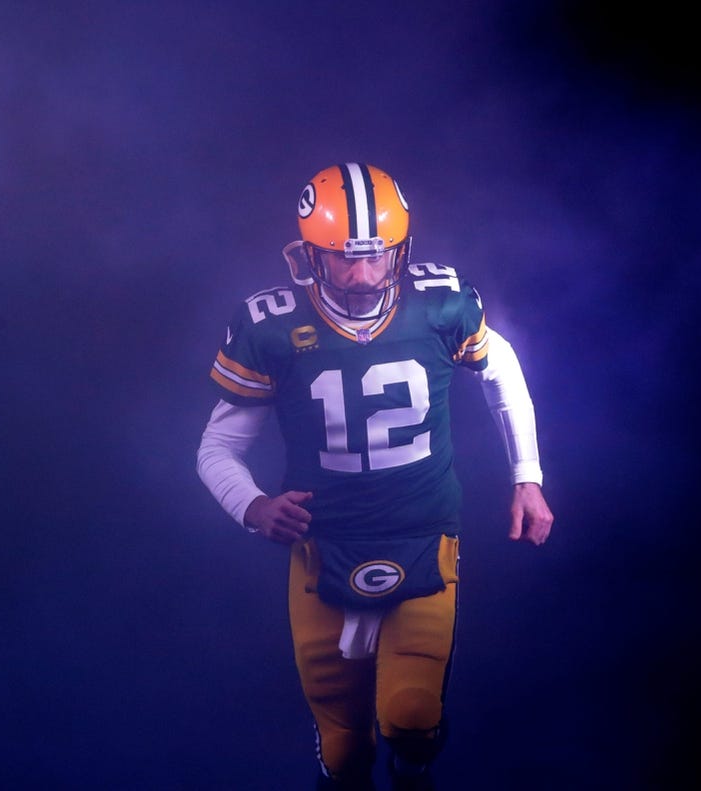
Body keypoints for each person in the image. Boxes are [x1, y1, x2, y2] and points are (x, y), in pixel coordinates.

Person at [196, 162, 554, 791]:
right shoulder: (272, 328)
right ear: (310, 255)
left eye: (377, 257)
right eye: (342, 260)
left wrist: (527, 475)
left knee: (412, 715)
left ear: (401, 250)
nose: (362, 276)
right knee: (342, 750)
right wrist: (252, 506)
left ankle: (415, 774)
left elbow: (502, 369)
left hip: (423, 531)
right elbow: (217, 447)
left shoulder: (441, 303)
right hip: (322, 544)